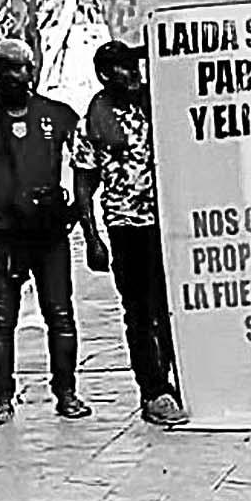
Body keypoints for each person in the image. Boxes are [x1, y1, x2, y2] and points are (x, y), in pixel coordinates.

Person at [0, 39, 91, 425]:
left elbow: (86, 162)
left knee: (60, 314)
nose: (18, 76)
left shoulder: (58, 114)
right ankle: (1, 398)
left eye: (23, 68)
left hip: (48, 235)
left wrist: (76, 211)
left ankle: (66, 392)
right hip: (1, 235)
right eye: (9, 69)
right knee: (1, 319)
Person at [73, 42, 189, 427]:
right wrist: (92, 236)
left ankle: (181, 379)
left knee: (172, 307)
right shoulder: (95, 120)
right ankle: (154, 389)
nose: (134, 72)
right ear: (105, 75)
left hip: (169, 223)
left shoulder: (157, 104)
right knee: (140, 312)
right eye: (123, 67)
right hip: (127, 226)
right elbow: (84, 181)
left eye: (134, 65)